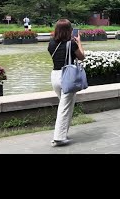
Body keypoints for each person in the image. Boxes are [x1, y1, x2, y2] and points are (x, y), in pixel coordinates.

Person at [47, 19, 85, 147]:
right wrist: (79, 43)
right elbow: (82, 57)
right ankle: (58, 138)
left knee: (67, 106)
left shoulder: (51, 43)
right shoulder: (72, 44)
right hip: (67, 76)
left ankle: (63, 133)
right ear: (69, 30)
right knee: (64, 108)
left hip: (55, 76)